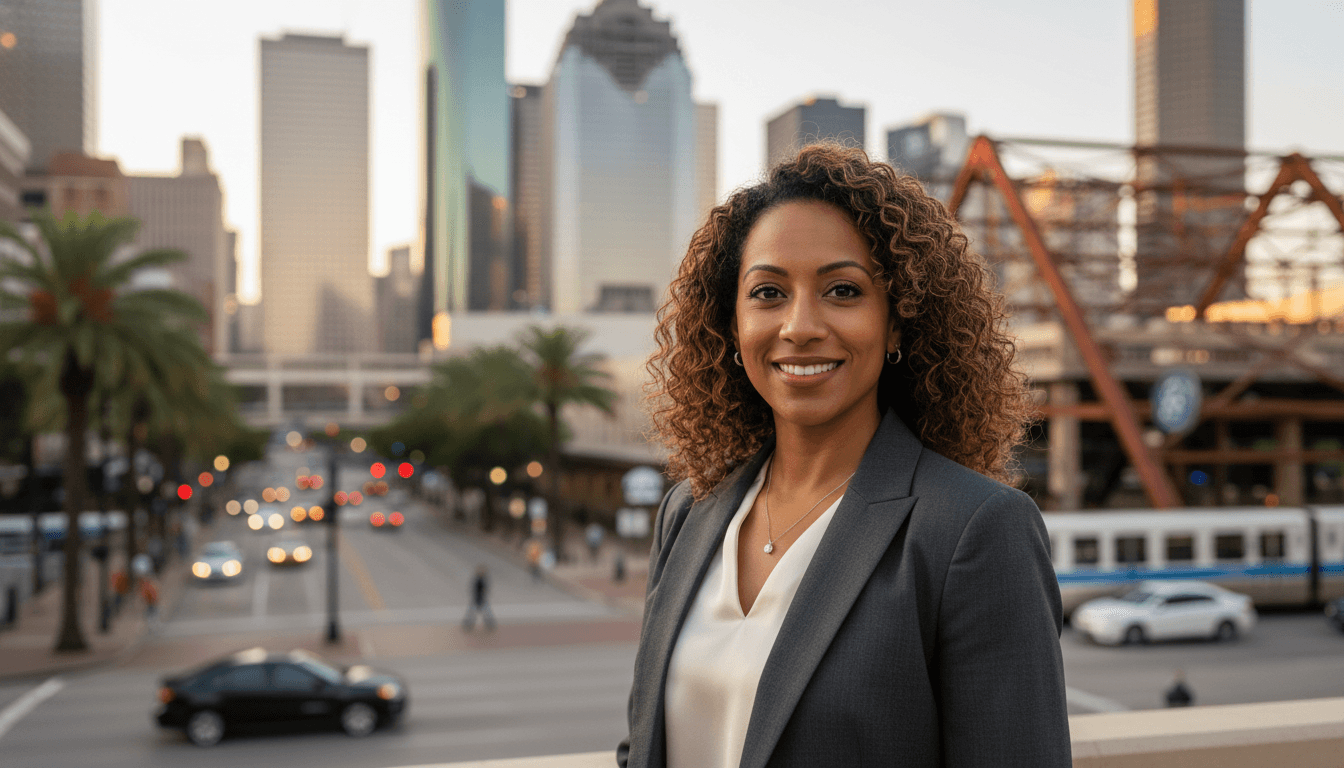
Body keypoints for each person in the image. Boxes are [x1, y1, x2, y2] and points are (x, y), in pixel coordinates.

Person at [618, 144, 1070, 768]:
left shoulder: (973, 530)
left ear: (899, 324)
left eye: (842, 290)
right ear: (731, 324)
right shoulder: (688, 514)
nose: (800, 325)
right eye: (768, 293)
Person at [461, 565, 495, 631]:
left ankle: (489, 624)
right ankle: (469, 624)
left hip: (480, 598)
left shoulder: (481, 579)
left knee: (484, 612)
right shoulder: (480, 579)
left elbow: (483, 589)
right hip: (477, 598)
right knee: (473, 613)